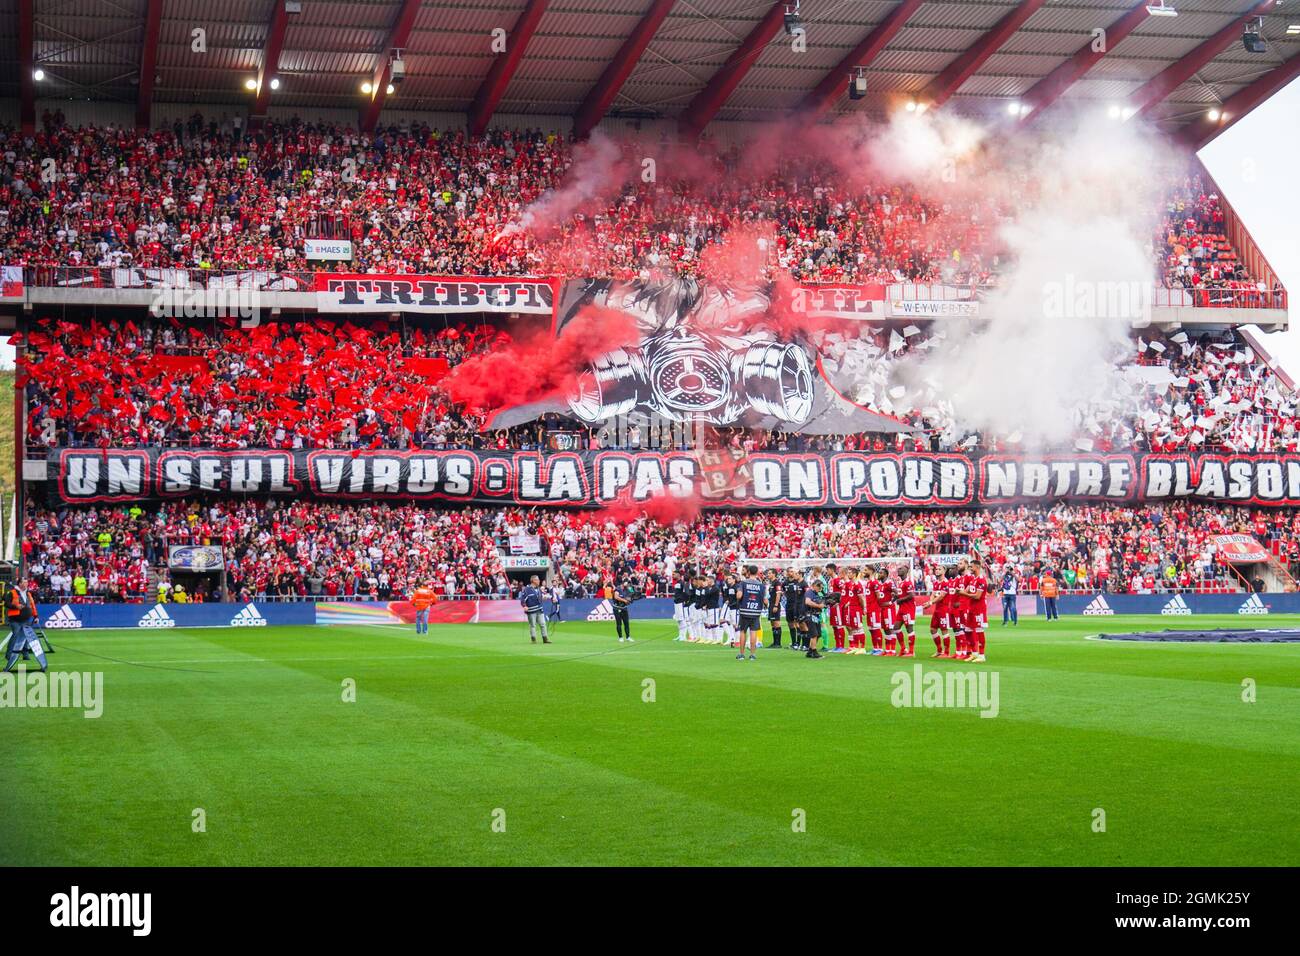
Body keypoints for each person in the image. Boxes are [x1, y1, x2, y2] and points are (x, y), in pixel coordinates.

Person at [4, 584, 45, 673]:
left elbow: (32, 605)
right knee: (16, 634)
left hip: (26, 619)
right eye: (24, 582)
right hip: (15, 619)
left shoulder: (28, 594)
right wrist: (16, 606)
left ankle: (25, 654)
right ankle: (9, 654)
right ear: (19, 584)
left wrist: (36, 616)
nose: (26, 584)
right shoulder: (11, 593)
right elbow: (6, 604)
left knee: (27, 637)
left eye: (26, 582)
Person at [734, 565, 765, 661]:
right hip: (755, 611)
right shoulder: (761, 585)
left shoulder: (743, 583)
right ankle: (752, 654)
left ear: (748, 572)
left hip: (745, 609)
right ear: (757, 573)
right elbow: (765, 599)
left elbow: (739, 596)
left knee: (743, 631)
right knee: (753, 632)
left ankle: (742, 654)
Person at [520, 575, 551, 644]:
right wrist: (524, 606)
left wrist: (544, 598)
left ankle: (545, 638)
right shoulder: (527, 589)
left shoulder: (539, 589)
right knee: (532, 625)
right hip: (531, 610)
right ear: (533, 581)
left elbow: (540, 598)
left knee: (543, 624)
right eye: (538, 580)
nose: (539, 581)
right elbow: (522, 599)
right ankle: (533, 639)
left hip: (540, 609)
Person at [802, 576, 827, 660]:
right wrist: (819, 605)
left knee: (818, 634)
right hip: (810, 615)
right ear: (815, 585)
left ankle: (810, 651)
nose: (820, 590)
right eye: (819, 587)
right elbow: (807, 602)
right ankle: (814, 651)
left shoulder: (816, 593)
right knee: (814, 634)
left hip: (815, 615)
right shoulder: (810, 592)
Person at [764, 568, 783, 648]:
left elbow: (778, 594)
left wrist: (776, 605)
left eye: (769, 573)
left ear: (774, 574)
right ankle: (775, 642)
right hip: (771, 604)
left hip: (775, 604)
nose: (768, 575)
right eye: (768, 573)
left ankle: (778, 643)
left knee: (776, 623)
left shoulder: (777, 583)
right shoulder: (772, 583)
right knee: (772, 623)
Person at [612, 576, 634, 643]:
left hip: (624, 608)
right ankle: (620, 637)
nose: (628, 585)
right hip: (617, 608)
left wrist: (630, 599)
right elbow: (616, 597)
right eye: (627, 583)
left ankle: (628, 637)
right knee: (619, 623)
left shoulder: (627, 589)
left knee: (626, 623)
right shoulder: (618, 589)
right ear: (624, 583)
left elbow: (632, 594)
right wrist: (624, 600)